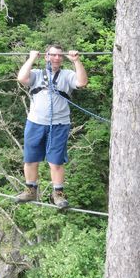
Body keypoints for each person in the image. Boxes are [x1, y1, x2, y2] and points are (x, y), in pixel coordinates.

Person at [16, 45, 88, 208]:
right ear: (46, 57)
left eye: (59, 56)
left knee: (55, 162)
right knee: (30, 159)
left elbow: (82, 82)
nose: (56, 58)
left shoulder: (67, 75)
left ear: (62, 59)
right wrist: (32, 58)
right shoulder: (36, 74)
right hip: (35, 123)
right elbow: (21, 78)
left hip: (59, 125)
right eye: (53, 55)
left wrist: (76, 61)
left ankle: (58, 194)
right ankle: (30, 190)